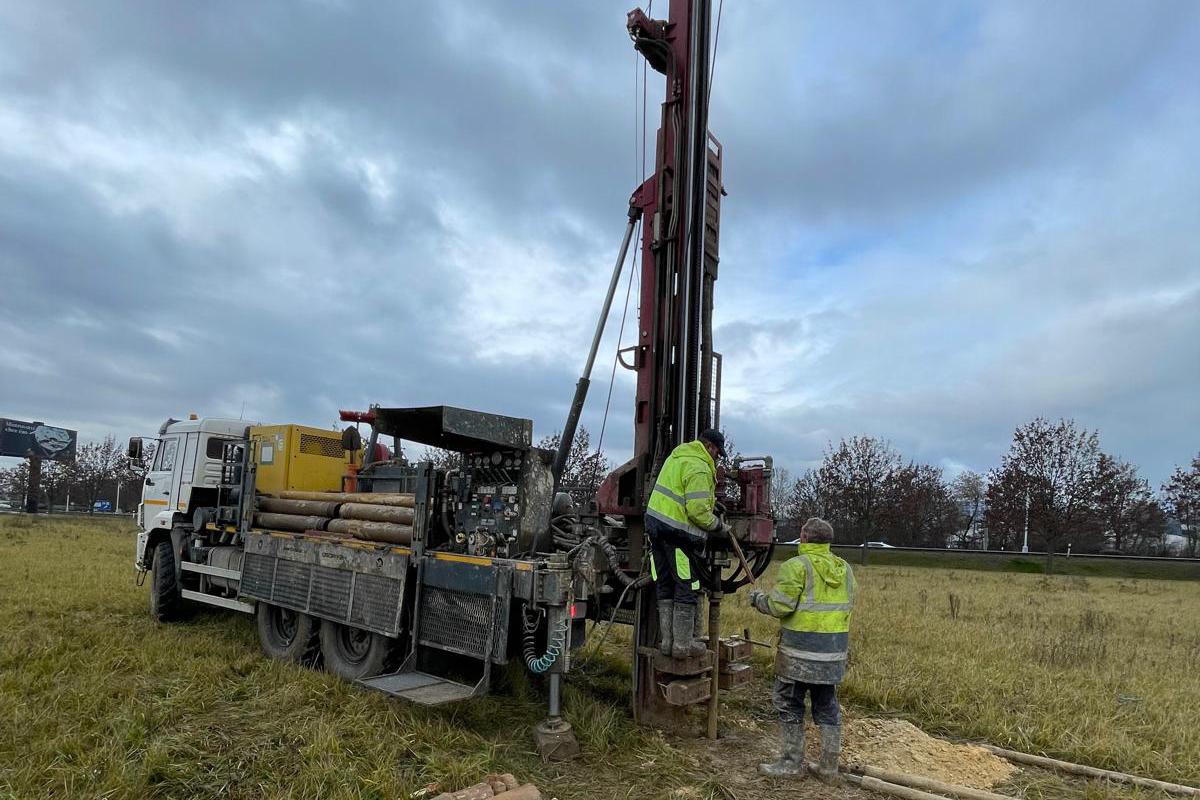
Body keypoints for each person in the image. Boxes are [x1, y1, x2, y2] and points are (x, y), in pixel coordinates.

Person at [748, 517, 855, 783]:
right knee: (827, 706)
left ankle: (791, 764)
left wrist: (758, 599)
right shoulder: (845, 569)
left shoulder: (796, 567)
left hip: (798, 655)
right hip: (832, 656)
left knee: (789, 704)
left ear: (804, 538)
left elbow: (779, 606)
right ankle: (829, 767)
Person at [645, 428, 732, 659]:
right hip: (677, 534)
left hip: (655, 528)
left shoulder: (678, 455)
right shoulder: (700, 466)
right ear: (710, 447)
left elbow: (681, 495)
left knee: (664, 583)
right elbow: (697, 513)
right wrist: (719, 526)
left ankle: (668, 643)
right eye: (717, 453)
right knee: (688, 585)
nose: (716, 458)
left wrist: (709, 504)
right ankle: (683, 645)